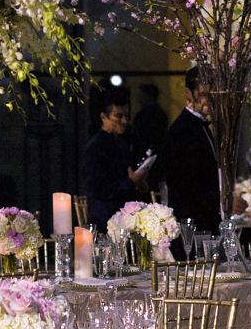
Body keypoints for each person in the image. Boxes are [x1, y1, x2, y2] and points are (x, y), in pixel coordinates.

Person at [152, 68, 220, 234]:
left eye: (214, 94)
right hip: (194, 224)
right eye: (204, 94)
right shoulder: (182, 130)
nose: (210, 100)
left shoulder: (197, 125)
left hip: (205, 219)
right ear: (188, 93)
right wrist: (223, 201)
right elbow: (187, 185)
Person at [83, 87, 147, 231]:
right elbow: (100, 189)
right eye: (118, 116)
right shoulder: (95, 147)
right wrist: (131, 182)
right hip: (105, 218)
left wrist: (139, 182)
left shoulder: (124, 141)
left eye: (126, 115)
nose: (124, 121)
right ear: (103, 116)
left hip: (125, 215)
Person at [129, 83, 168, 163]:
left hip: (147, 153)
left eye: (141, 95)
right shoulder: (160, 114)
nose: (138, 99)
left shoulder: (144, 115)